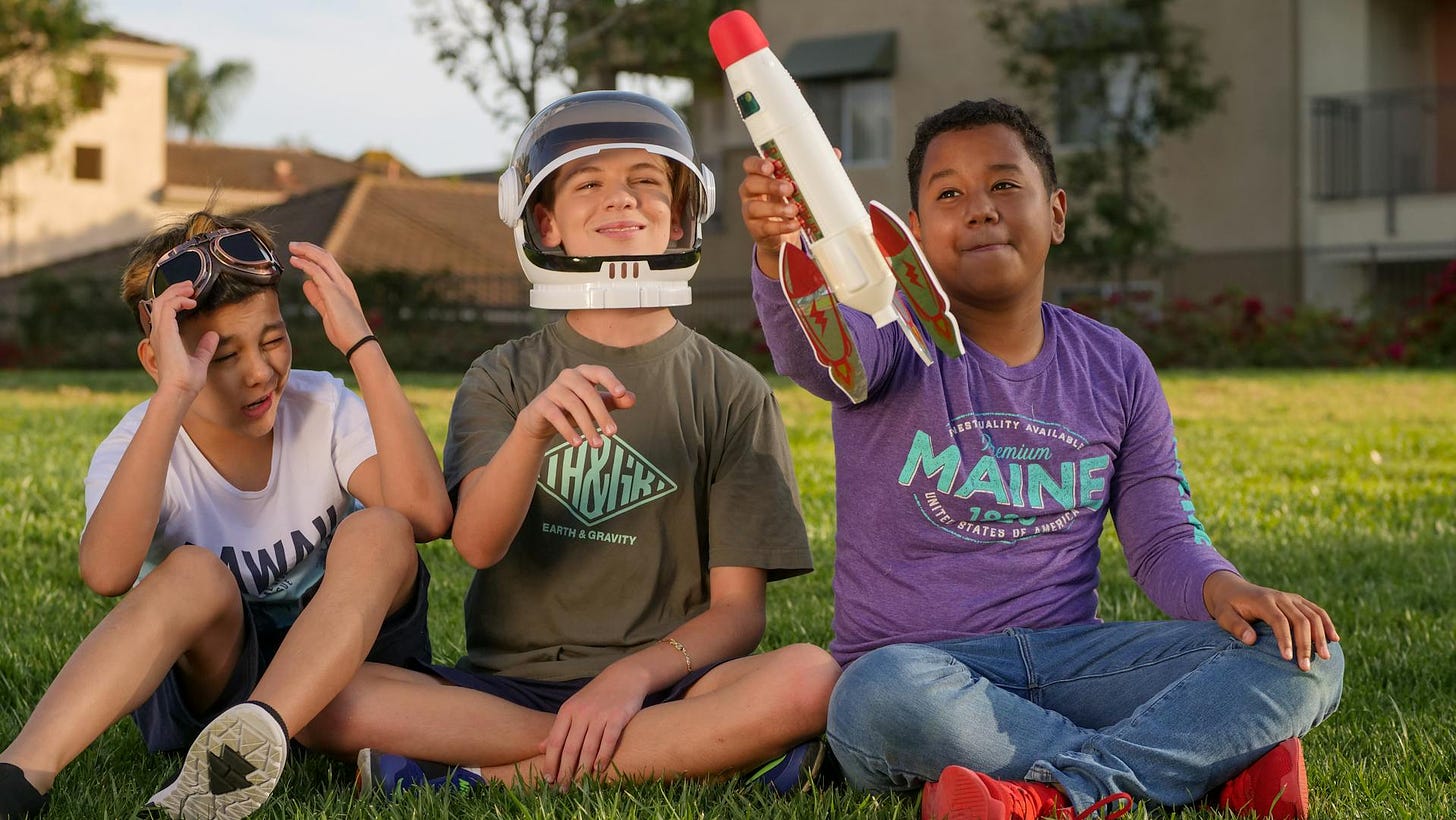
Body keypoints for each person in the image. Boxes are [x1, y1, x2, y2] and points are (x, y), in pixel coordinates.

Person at [737, 98, 1344, 820]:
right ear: (915, 234)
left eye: (1004, 185)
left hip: (1072, 663)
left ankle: (1048, 795)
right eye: (948, 194)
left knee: (1306, 654)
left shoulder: (1115, 366)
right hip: (924, 672)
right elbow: (821, 358)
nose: (980, 210)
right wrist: (781, 253)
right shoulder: (887, 334)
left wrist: (1224, 588)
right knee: (872, 693)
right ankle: (1198, 768)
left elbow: (1161, 538)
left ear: (1056, 213)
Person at [299, 91, 840, 796]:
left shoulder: (733, 388)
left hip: (666, 683)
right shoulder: (501, 375)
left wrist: (625, 681)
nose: (622, 198)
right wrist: (531, 434)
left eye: (646, 181)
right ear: (545, 223)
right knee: (322, 698)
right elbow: (478, 546)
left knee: (809, 676)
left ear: (679, 216)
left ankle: (484, 780)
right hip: (506, 691)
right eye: (590, 182)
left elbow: (739, 613)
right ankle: (682, 759)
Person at [0, 212, 452, 820]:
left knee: (380, 527)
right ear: (158, 361)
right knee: (191, 573)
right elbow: (107, 572)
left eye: (271, 340)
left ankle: (259, 737)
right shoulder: (141, 443)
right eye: (221, 357)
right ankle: (20, 776)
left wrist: (361, 346)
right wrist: (172, 399)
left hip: (348, 661)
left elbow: (425, 514)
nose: (260, 371)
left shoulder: (320, 405)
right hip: (219, 678)